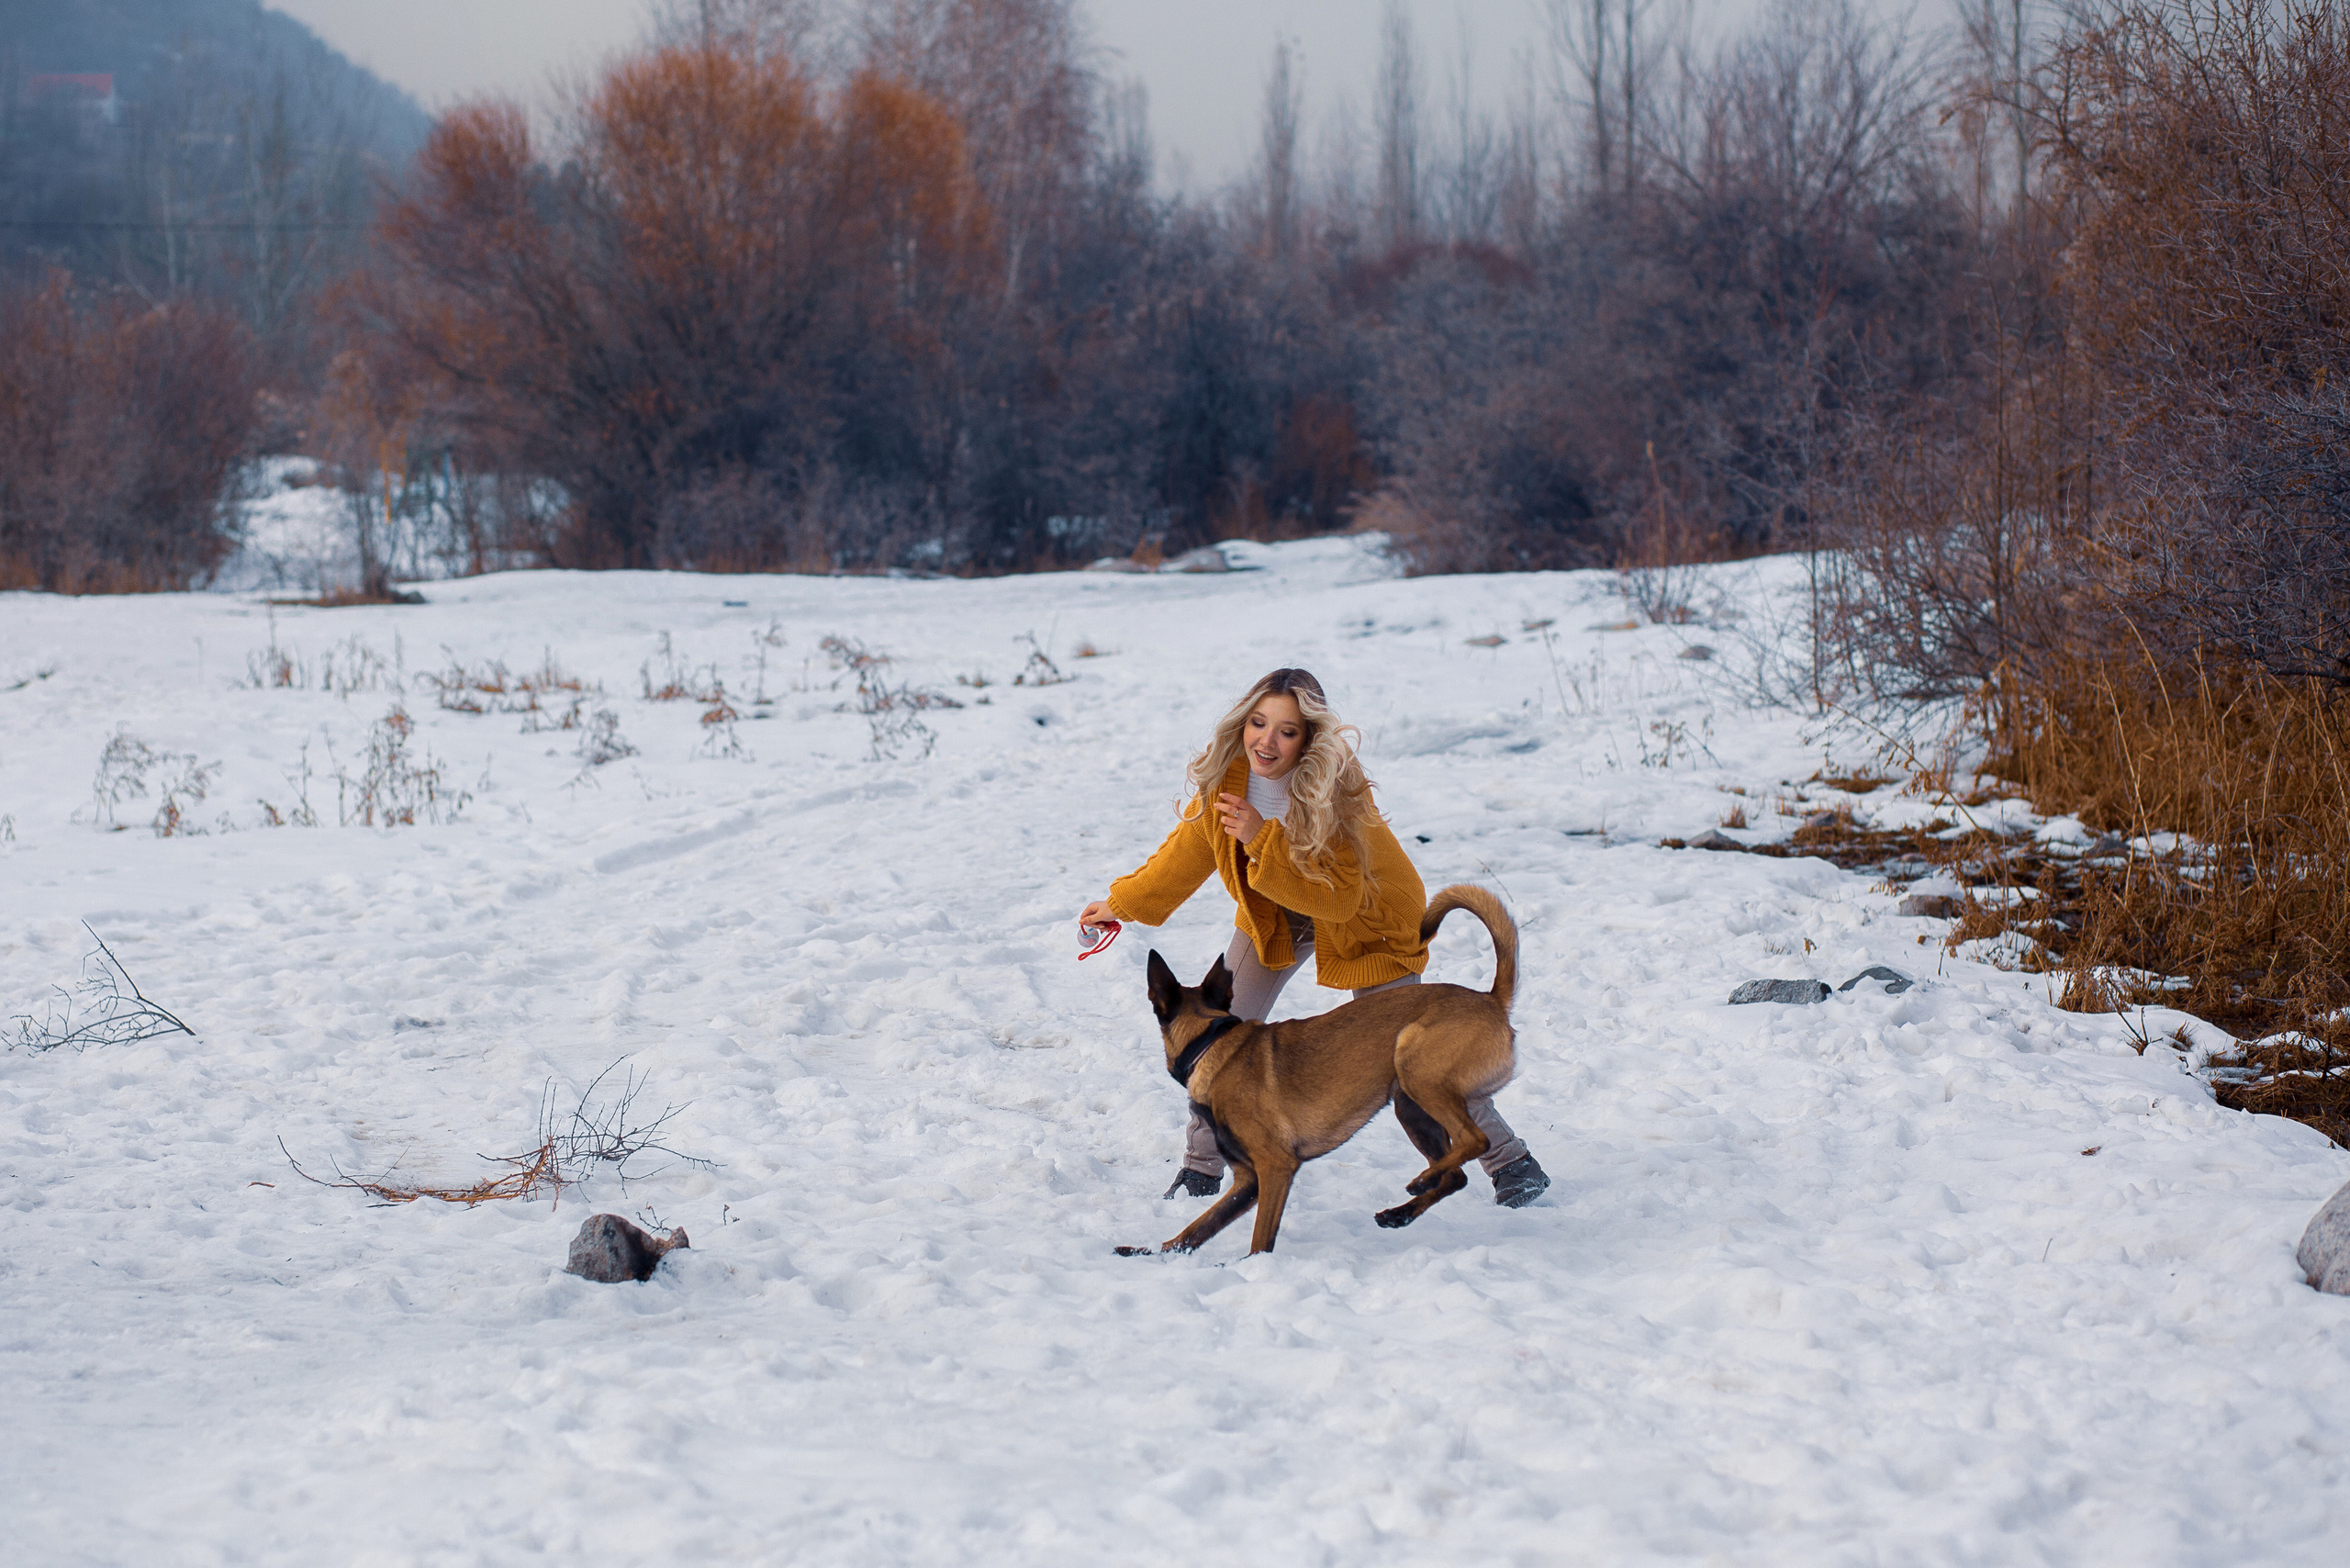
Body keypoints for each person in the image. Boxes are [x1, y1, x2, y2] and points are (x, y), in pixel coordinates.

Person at [1079, 667, 1551, 1208]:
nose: (1266, 741)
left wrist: (1260, 837)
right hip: (1275, 912)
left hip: (1368, 919)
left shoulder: (1337, 792)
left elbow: (1337, 900)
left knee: (1413, 1059)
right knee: (1212, 1036)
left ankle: (1513, 1164)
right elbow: (1185, 855)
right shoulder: (1229, 778)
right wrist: (1120, 903)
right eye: (1258, 723)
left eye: (1286, 731)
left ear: (1309, 739)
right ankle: (1202, 1171)